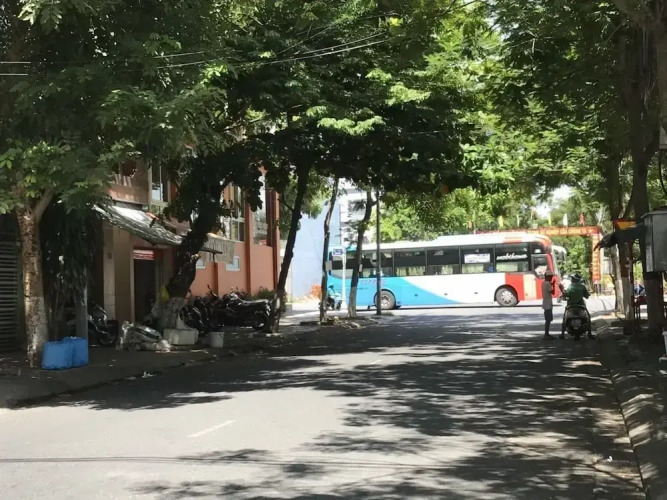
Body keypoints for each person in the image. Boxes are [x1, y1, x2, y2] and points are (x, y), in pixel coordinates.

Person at [560, 273, 594, 339]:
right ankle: (589, 334)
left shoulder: (570, 287)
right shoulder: (582, 286)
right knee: (588, 317)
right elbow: (587, 296)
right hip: (581, 305)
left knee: (564, 318)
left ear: (573, 279)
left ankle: (562, 334)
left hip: (571, 305)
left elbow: (566, 295)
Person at [542, 270, 556, 340]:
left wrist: (551, 284)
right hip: (548, 304)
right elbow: (553, 292)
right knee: (548, 320)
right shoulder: (548, 284)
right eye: (550, 277)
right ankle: (546, 334)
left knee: (548, 319)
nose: (551, 278)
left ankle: (546, 334)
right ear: (547, 277)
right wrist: (553, 285)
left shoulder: (544, 283)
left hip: (545, 303)